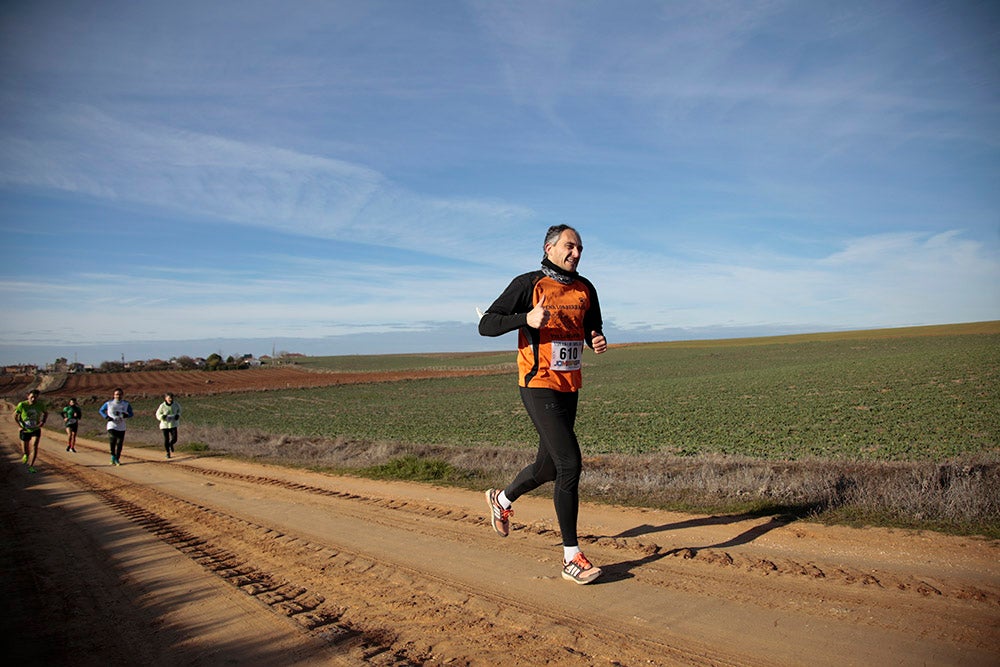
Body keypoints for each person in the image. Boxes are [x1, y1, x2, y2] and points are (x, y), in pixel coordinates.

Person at [478, 224, 608, 585]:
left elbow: (591, 326)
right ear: (550, 248)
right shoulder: (528, 283)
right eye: (570, 246)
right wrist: (526, 318)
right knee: (570, 463)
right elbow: (486, 325)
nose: (576, 253)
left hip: (570, 386)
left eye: (580, 248)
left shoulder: (586, 288)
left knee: (548, 468)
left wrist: (596, 338)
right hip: (538, 383)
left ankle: (501, 499)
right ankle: (571, 557)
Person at [13, 389, 48, 473]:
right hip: (25, 430)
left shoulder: (40, 405)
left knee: (35, 445)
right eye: (32, 397)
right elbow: (15, 416)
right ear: (28, 396)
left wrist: (43, 422)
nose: (33, 399)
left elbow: (46, 413)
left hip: (35, 429)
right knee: (25, 450)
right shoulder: (22, 405)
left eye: (35, 397)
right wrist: (19, 426)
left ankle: (31, 466)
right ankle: (26, 454)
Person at [99, 388, 133, 466]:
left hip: (121, 426)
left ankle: (117, 459)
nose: (118, 396)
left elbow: (131, 413)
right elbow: (101, 410)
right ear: (114, 395)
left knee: (120, 443)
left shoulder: (126, 404)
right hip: (112, 425)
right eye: (116, 394)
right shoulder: (109, 403)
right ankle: (112, 456)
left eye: (120, 394)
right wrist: (106, 417)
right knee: (113, 441)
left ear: (122, 395)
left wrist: (127, 415)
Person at [155, 392, 181, 458]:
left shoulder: (176, 405)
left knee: (175, 439)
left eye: (171, 398)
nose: (170, 399)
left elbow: (179, 410)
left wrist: (178, 415)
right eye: (169, 398)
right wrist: (162, 417)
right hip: (165, 425)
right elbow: (158, 414)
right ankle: (167, 452)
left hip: (173, 424)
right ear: (165, 398)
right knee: (166, 439)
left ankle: (171, 444)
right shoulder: (162, 406)